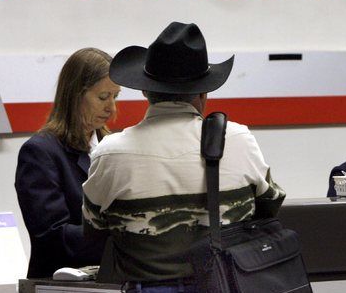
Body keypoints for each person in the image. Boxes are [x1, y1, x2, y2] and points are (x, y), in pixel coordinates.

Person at [82, 22, 285, 292]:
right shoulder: (238, 140)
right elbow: (270, 204)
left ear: (145, 90)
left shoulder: (110, 152)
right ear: (204, 93)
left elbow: (94, 230)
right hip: (226, 285)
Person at [14, 48, 120, 278]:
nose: (112, 108)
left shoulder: (114, 146)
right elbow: (52, 237)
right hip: (58, 283)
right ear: (75, 95)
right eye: (103, 97)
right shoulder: (39, 153)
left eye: (115, 96)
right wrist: (121, 236)